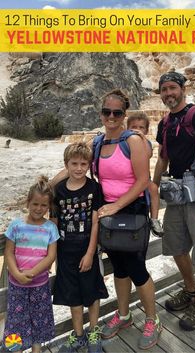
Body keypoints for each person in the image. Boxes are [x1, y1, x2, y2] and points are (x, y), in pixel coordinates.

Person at [153, 72, 195, 331]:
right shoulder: (165, 123)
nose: (168, 93)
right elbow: (162, 157)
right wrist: (153, 185)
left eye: (172, 88)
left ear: (183, 88)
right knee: (176, 246)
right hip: (177, 195)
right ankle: (191, 289)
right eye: (164, 90)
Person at [96, 89, 162, 350]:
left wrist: (116, 207)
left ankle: (152, 319)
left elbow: (144, 180)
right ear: (101, 113)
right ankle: (124, 315)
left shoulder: (133, 140)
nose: (111, 116)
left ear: (124, 114)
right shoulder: (98, 142)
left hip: (131, 210)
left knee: (136, 269)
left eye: (117, 112)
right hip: (109, 213)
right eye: (106, 111)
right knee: (119, 267)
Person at [51, 142, 108, 353]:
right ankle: (79, 335)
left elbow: (95, 223)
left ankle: (93, 331)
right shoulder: (58, 191)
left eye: (83, 164)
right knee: (73, 295)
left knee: (92, 293)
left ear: (89, 165)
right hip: (65, 253)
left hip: (87, 251)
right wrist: (53, 255)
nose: (78, 168)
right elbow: (54, 224)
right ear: (66, 165)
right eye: (74, 163)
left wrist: (91, 253)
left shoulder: (94, 188)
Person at [3, 176, 59, 353]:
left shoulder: (50, 228)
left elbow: (51, 257)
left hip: (40, 285)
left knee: (39, 319)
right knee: (16, 321)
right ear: (28, 202)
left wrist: (32, 273)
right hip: (16, 284)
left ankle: (37, 350)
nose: (39, 209)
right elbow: (9, 252)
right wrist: (17, 274)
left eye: (43, 205)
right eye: (35, 204)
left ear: (49, 206)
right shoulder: (16, 226)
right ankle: (16, 350)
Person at [127, 112, 164, 236]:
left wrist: (142, 139)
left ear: (146, 130)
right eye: (134, 127)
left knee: (153, 188)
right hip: (129, 178)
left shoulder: (146, 142)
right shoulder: (125, 140)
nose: (137, 130)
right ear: (127, 129)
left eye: (141, 127)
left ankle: (154, 219)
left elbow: (148, 154)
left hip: (143, 179)